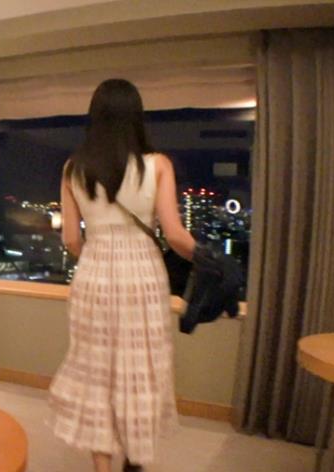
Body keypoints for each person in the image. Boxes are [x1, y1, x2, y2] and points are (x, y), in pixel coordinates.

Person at [47, 79, 196, 472]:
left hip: (94, 274)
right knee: (139, 367)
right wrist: (209, 258)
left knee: (96, 372)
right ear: (136, 117)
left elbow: (71, 239)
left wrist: (98, 258)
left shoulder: (73, 168)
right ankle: (134, 458)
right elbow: (175, 235)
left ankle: (102, 468)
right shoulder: (158, 165)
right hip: (142, 275)